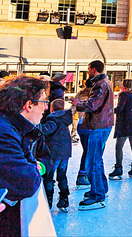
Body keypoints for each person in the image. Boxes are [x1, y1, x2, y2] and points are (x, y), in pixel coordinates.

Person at [0, 76, 47, 235]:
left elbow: (29, 165)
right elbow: (26, 182)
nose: (45, 108)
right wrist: (35, 169)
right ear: (29, 105)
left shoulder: (15, 128)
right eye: (44, 102)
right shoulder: (4, 132)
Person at [71, 60, 114, 211]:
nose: (87, 71)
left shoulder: (101, 84)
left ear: (94, 70)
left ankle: (98, 195)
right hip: (100, 125)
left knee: (92, 161)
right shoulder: (103, 82)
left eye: (88, 69)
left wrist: (77, 103)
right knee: (96, 159)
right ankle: (101, 189)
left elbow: (92, 105)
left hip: (99, 126)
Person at [41, 98, 74, 212]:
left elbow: (46, 130)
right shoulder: (65, 118)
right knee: (62, 175)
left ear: (51, 109)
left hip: (54, 152)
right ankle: (64, 199)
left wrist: (38, 126)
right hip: (65, 152)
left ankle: (48, 201)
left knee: (49, 177)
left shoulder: (53, 119)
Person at [109, 79, 132, 181]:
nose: (120, 87)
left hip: (125, 125)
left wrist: (108, 111)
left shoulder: (124, 95)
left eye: (122, 85)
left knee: (119, 147)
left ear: (125, 86)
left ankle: (118, 169)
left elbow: (119, 109)